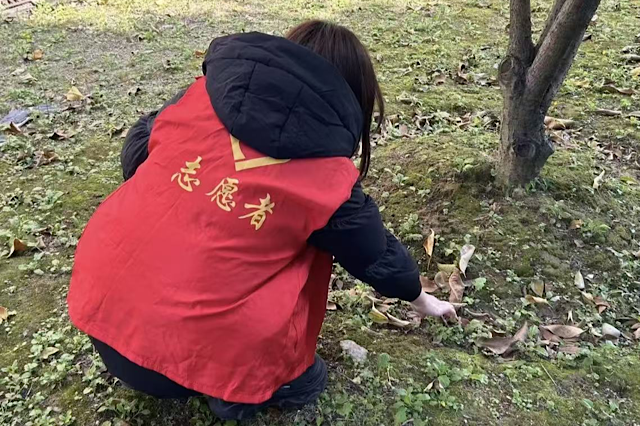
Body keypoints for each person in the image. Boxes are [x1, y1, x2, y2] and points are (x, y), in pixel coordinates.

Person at [67, 20, 457, 421]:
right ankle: (239, 392)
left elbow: (138, 151)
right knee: (309, 378)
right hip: (181, 358)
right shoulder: (328, 179)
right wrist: (423, 299)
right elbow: (374, 254)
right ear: (352, 96)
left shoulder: (198, 97)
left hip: (100, 310)